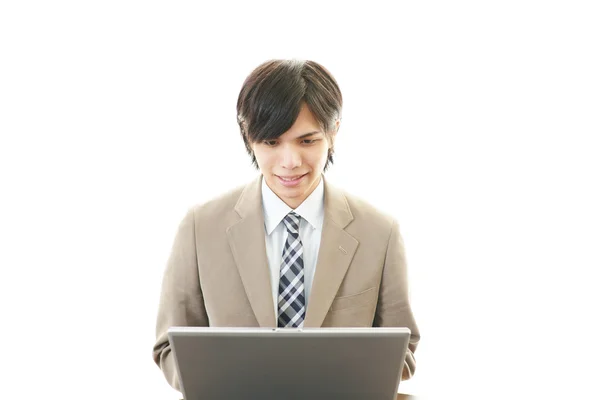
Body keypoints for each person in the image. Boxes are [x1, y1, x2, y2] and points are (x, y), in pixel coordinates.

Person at [152, 59, 420, 391]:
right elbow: (168, 347)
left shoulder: (380, 232)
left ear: (333, 131)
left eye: (307, 141)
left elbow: (403, 352)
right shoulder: (200, 228)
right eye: (271, 143)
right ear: (249, 136)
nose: (290, 163)